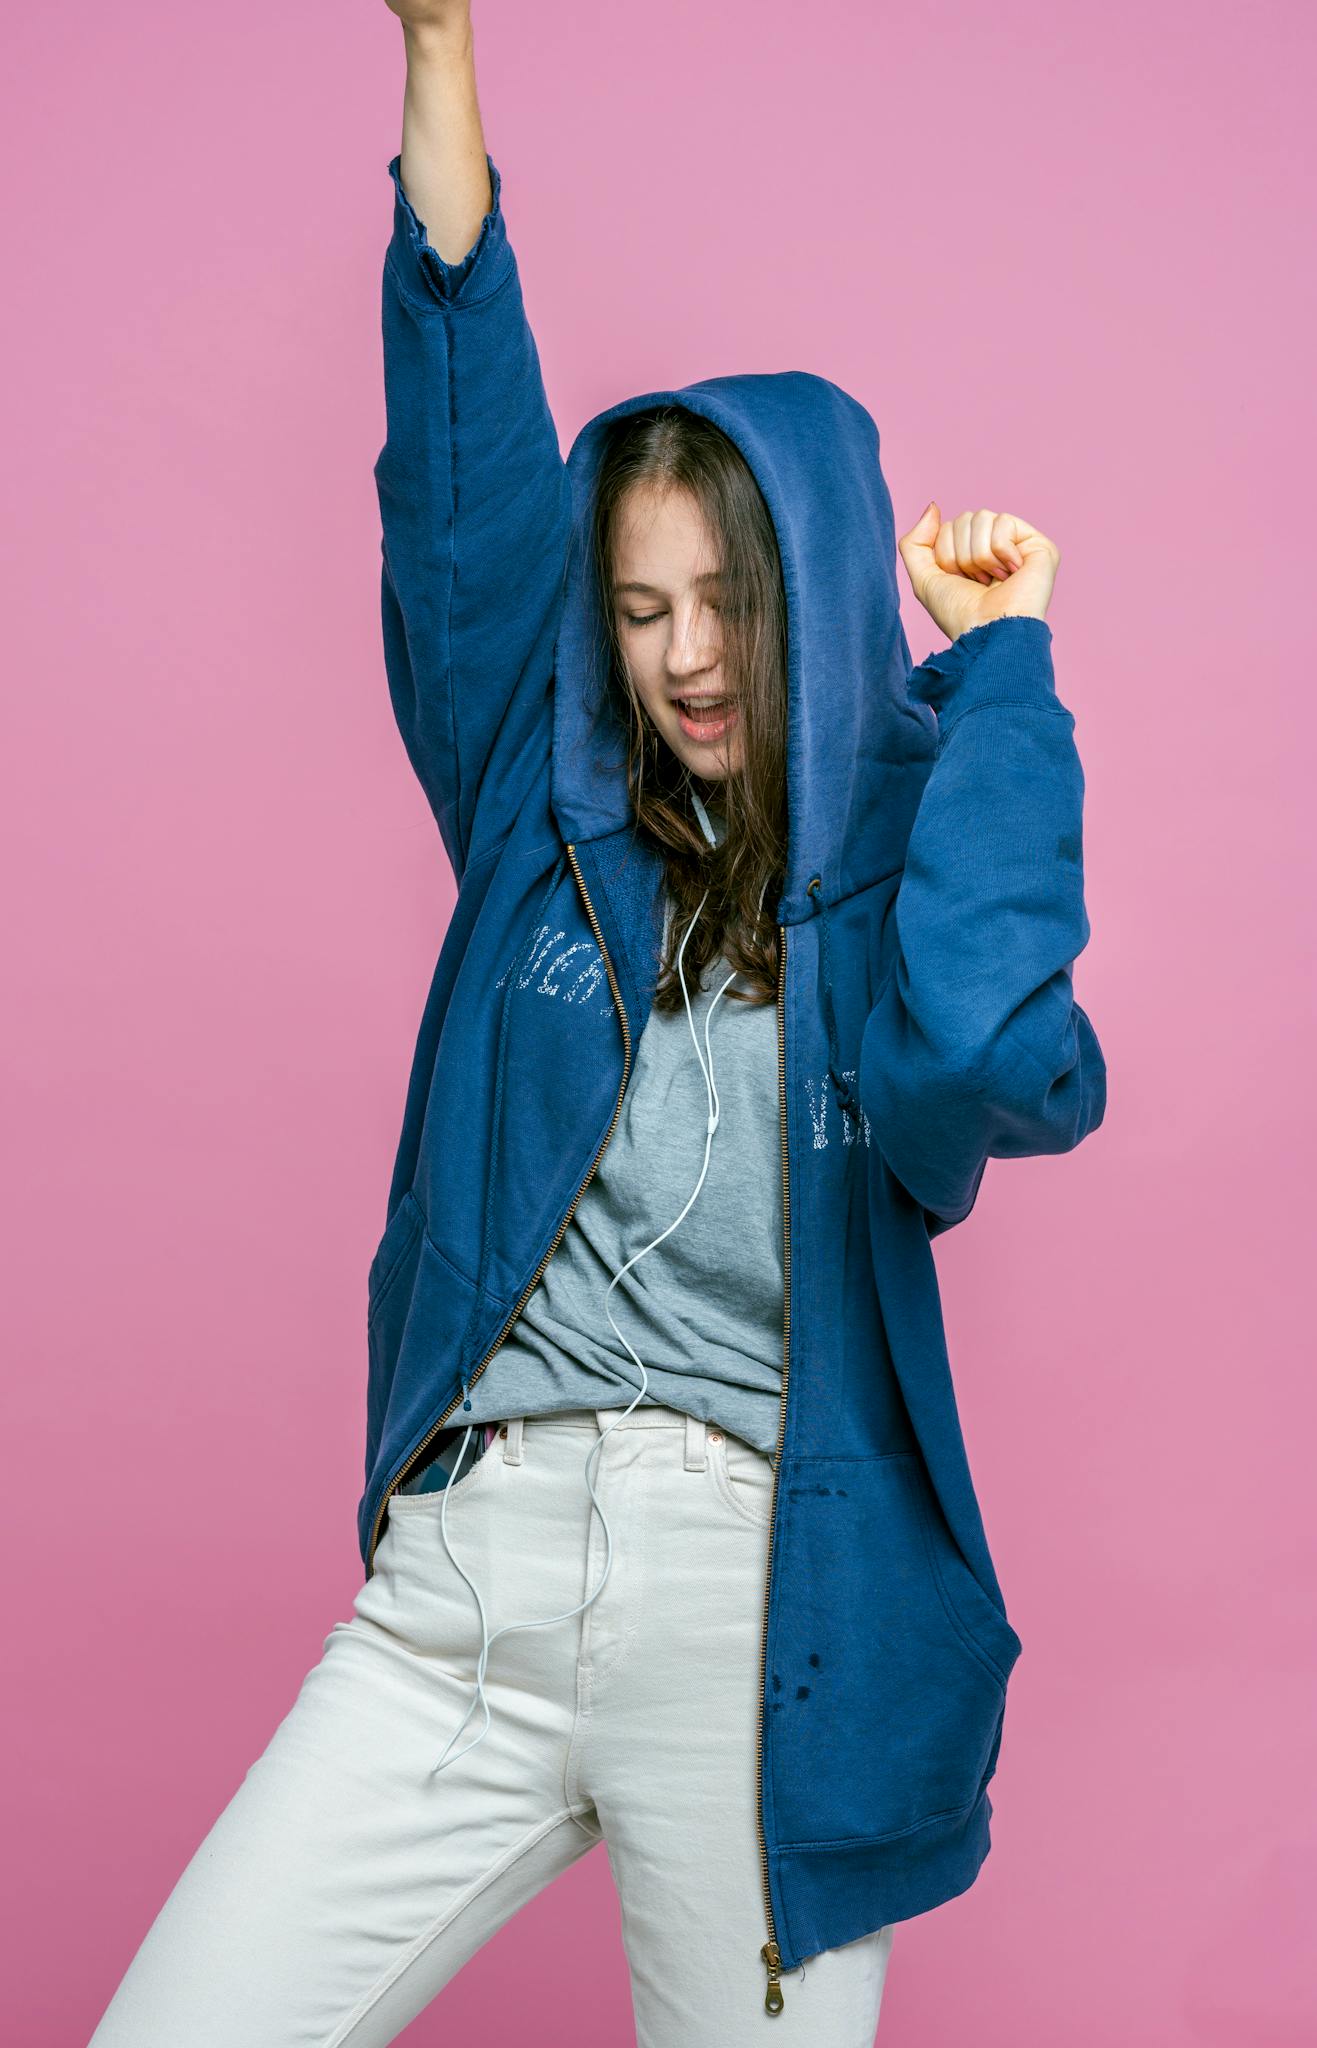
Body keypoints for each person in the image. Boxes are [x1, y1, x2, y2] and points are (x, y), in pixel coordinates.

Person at [88, 3, 1107, 2043]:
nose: (682, 660)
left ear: (805, 587)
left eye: (722, 604)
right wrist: (439, 50)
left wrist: (995, 679)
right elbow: (459, 461)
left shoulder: (905, 859)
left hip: (754, 1627)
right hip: (460, 1602)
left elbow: (989, 1059)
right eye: (638, 613)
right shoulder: (535, 810)